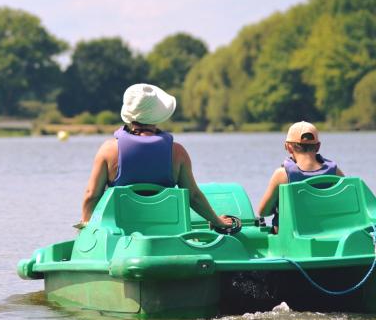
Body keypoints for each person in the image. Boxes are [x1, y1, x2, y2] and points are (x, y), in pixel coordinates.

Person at [78, 83, 232, 230]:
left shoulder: (108, 150)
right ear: (158, 115)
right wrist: (218, 222)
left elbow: (91, 195)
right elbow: (193, 196)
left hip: (120, 233)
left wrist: (85, 229)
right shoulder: (177, 152)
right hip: (167, 230)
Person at [257, 121, 344, 232]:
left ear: (288, 147)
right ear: (318, 146)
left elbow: (263, 212)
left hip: (290, 238)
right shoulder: (335, 172)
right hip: (327, 234)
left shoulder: (282, 175)